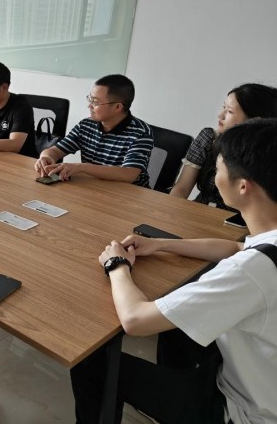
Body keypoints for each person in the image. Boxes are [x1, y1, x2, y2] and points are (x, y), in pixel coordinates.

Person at [71, 118, 277, 423]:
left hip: (244, 410)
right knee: (178, 324)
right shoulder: (267, 244)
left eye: (218, 168)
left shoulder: (251, 271)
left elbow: (136, 320)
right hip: (260, 372)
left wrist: (116, 265)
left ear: (243, 186)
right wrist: (160, 244)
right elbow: (237, 247)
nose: (214, 176)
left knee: (90, 364)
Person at [170, 83, 277, 209]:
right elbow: (181, 189)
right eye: (223, 107)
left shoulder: (266, 155)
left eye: (230, 111)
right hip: (198, 212)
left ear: (254, 120)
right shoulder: (209, 138)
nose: (220, 115)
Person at [34, 74, 153, 187]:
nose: (89, 106)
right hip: (94, 187)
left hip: (128, 194)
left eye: (95, 102)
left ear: (117, 107)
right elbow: (55, 151)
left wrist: (81, 167)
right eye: (90, 99)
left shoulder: (141, 133)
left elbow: (129, 174)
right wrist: (46, 157)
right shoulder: (86, 125)